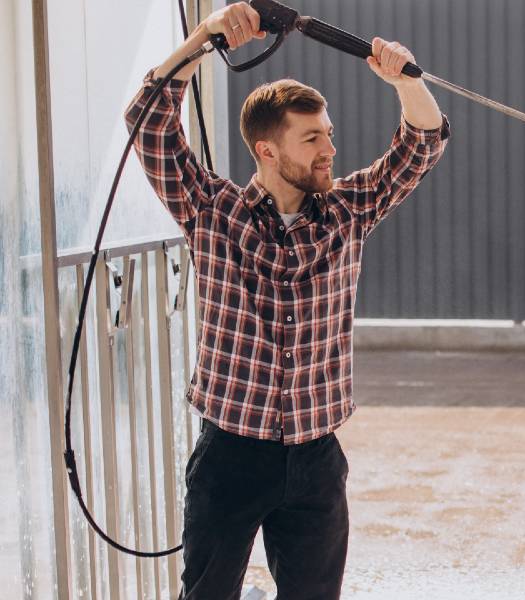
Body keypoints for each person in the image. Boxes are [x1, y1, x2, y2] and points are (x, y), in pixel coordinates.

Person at [125, 3, 449, 597]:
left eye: (328, 133)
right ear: (268, 152)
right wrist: (204, 37)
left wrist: (408, 82)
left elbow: (421, 147)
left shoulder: (349, 211)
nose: (329, 149)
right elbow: (148, 122)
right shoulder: (213, 212)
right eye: (311, 139)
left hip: (317, 458)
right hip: (231, 454)